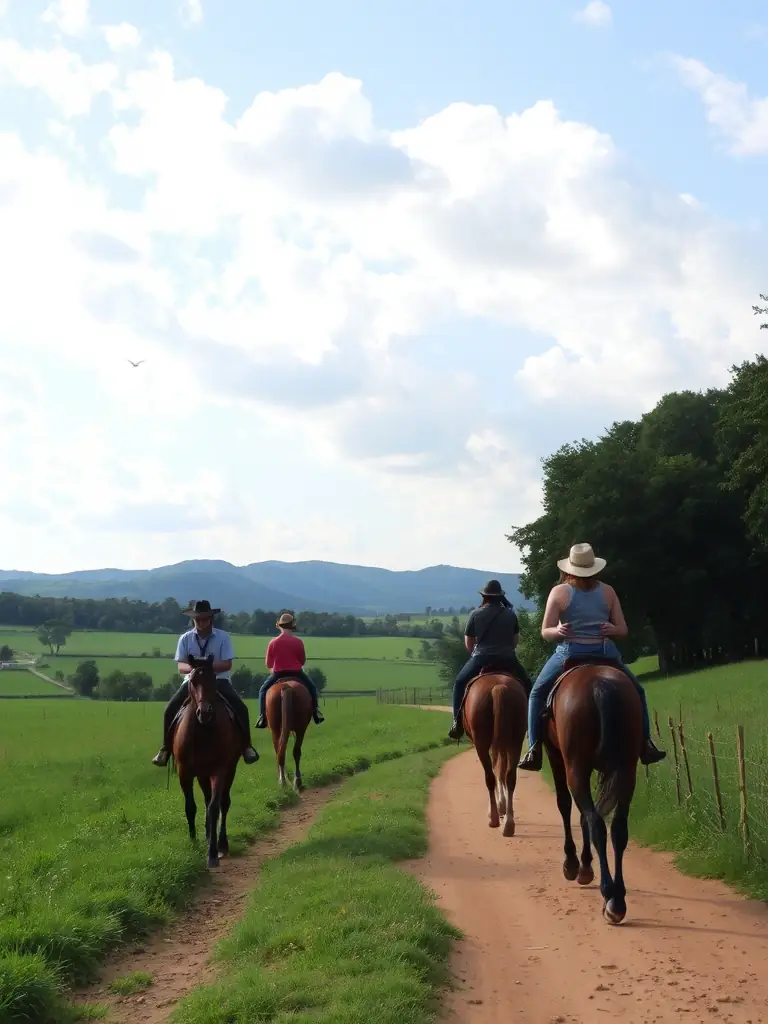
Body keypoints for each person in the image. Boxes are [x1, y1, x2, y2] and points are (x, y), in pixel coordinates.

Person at [518, 543, 666, 772]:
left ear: (569, 568)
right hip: (604, 652)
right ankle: (645, 744)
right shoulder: (607, 591)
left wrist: (557, 632)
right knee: (637, 691)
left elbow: (545, 631)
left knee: (537, 693)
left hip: (569, 653)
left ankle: (533, 748)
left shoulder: (559, 592)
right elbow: (623, 630)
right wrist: (612, 630)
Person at [152, 600, 259, 767]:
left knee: (240, 707)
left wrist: (207, 668)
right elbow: (181, 666)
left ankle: (247, 747)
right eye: (198, 619)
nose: (201, 622)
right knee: (169, 709)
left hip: (219, 680)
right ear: (193, 620)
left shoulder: (223, 637)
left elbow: (227, 664)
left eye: (205, 619)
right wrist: (196, 670)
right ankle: (165, 749)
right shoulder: (185, 638)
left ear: (211, 618)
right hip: (193, 681)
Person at [447, 580, 533, 741]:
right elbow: (515, 641)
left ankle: (456, 722)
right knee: (528, 683)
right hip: (508, 658)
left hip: (481, 658)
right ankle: (531, 723)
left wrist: (477, 653)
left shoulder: (475, 614)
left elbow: (469, 643)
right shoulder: (510, 614)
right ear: (500, 596)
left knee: (459, 683)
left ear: (484, 597)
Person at [255, 613, 325, 728]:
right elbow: (302, 661)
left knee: (263, 691)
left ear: (280, 626)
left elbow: (268, 664)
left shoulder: (273, 642)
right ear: (292, 627)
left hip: (278, 673)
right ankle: (316, 712)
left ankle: (262, 716)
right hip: (296, 672)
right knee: (312, 688)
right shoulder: (298, 642)